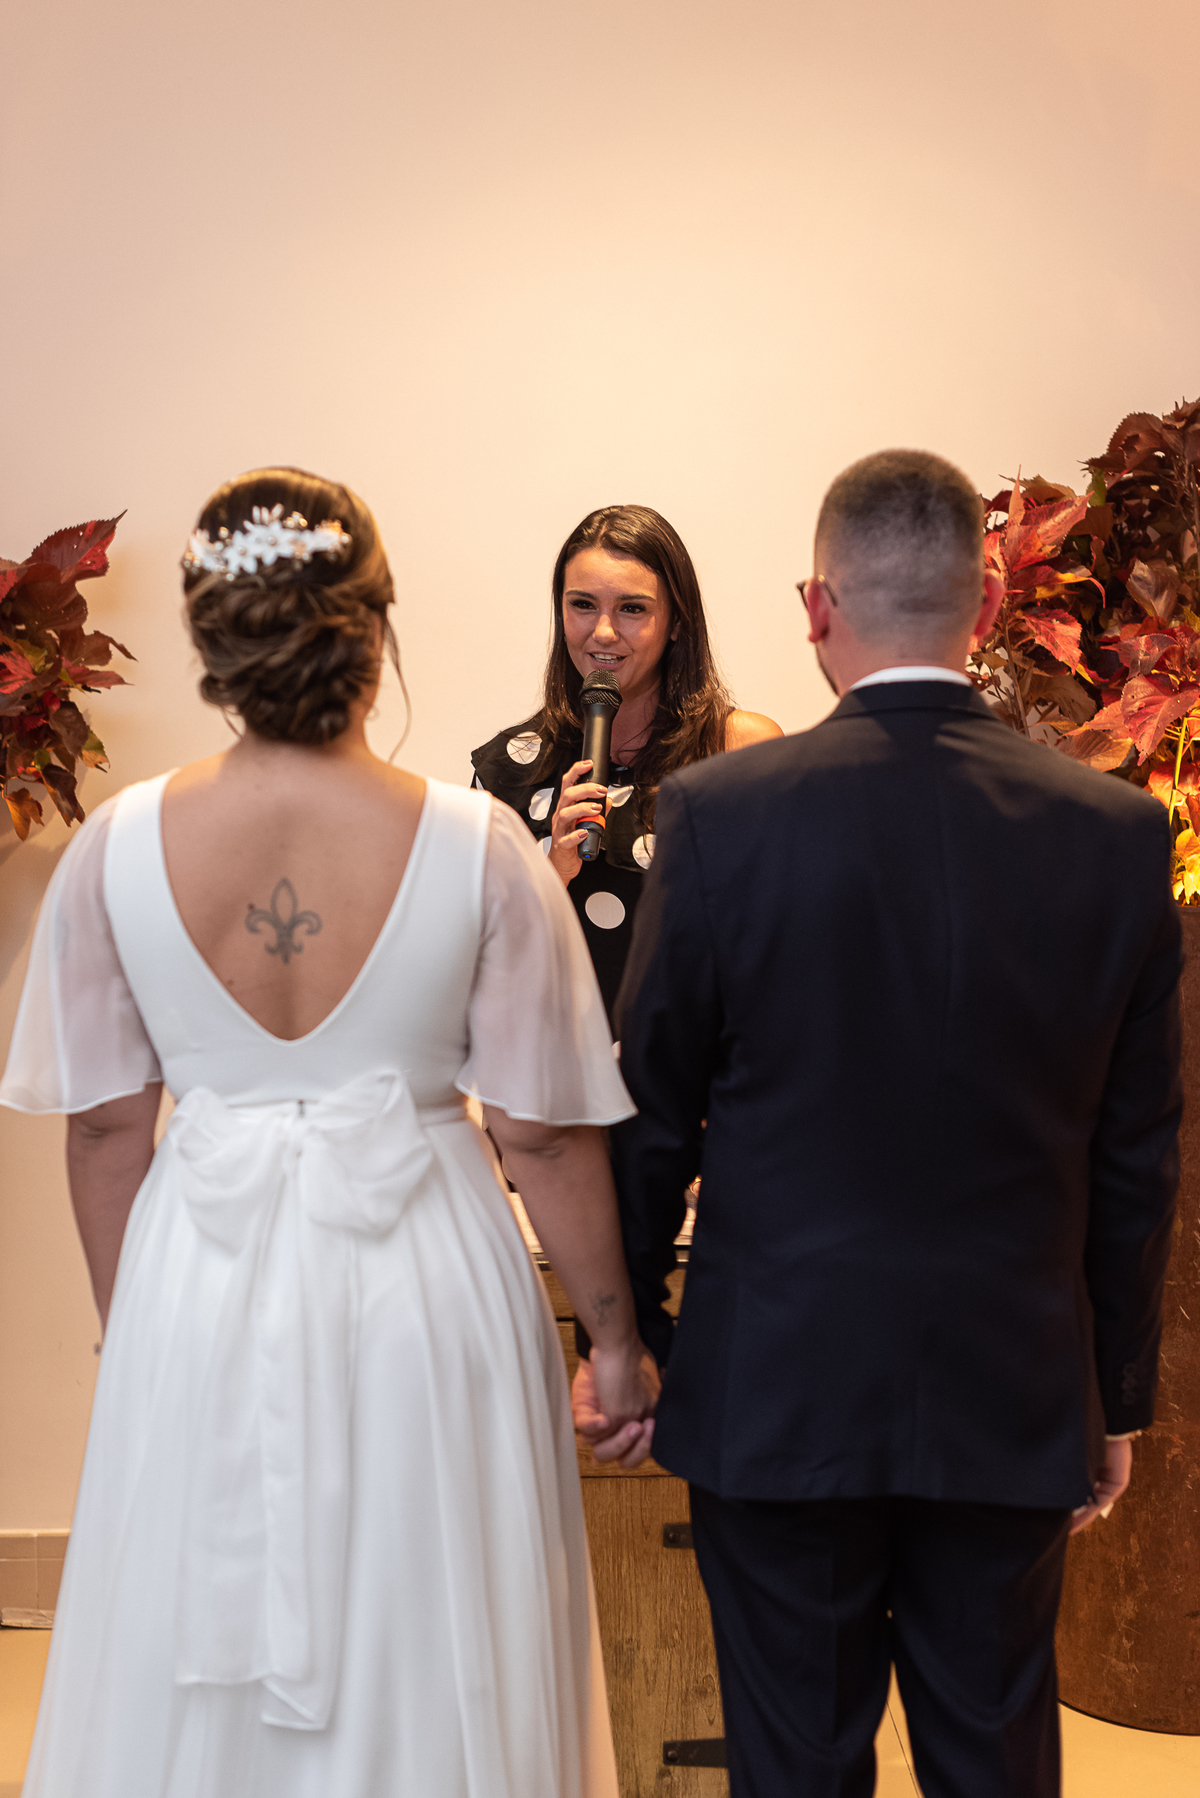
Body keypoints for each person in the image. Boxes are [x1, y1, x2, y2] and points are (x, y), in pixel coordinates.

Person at [0, 467, 659, 1798]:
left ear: (209, 635)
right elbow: (539, 1137)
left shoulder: (115, 850)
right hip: (428, 1280)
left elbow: (109, 1132)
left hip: (199, 1272)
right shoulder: (483, 848)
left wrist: (146, 1332)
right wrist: (616, 1342)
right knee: (437, 1617)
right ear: (375, 627)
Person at [577, 450, 1182, 1796]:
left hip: (777, 1382)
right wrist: (1116, 1392)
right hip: (1013, 1383)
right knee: (995, 1754)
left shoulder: (721, 817)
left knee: (796, 1761)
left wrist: (628, 1343)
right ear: (987, 604)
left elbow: (650, 1108)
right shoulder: (1115, 832)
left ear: (817, 605)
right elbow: (1137, 1153)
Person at [471, 504, 781, 1025]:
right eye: (583, 605)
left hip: (692, 1066)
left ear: (677, 622)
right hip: (560, 1061)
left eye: (632, 609)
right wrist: (554, 872)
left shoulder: (738, 749)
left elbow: (777, 938)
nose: (604, 632)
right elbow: (477, 963)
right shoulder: (509, 769)